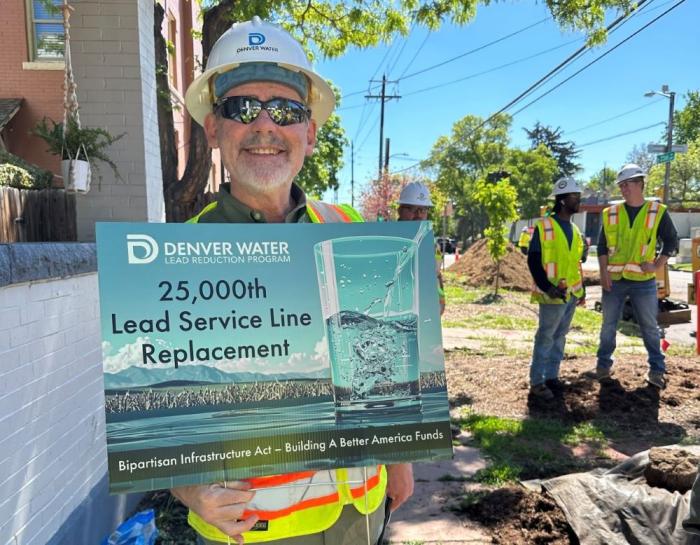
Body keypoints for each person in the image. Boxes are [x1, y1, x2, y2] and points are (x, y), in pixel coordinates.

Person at [175, 16, 413, 545]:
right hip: (255, 530)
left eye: (285, 109)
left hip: (361, 513)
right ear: (214, 127)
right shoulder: (176, 258)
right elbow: (158, 416)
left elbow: (384, 362)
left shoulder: (350, 229)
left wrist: (398, 457)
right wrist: (193, 494)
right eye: (242, 108)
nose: (265, 126)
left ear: (309, 130)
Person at [592, 163, 678, 389]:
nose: (623, 189)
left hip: (643, 282)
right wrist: (603, 274)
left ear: (640, 183)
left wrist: (657, 265)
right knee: (608, 325)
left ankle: (657, 371)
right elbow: (601, 246)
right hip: (615, 281)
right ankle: (602, 367)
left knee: (649, 326)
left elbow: (671, 241)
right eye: (621, 185)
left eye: (627, 184)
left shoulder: (657, 212)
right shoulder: (610, 213)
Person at [527, 177, 586, 400]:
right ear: (562, 200)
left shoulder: (575, 230)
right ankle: (537, 382)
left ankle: (552, 376)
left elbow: (575, 264)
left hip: (570, 294)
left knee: (560, 336)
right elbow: (533, 260)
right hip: (551, 294)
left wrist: (582, 291)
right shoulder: (544, 226)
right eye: (575, 197)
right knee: (546, 337)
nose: (579, 201)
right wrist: (548, 287)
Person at [396, 181, 446, 315]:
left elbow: (436, 274)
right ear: (400, 210)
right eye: (413, 209)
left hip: (424, 311)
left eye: (423, 210)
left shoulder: (431, 244)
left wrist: (440, 300)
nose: (418, 215)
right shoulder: (389, 240)